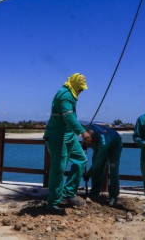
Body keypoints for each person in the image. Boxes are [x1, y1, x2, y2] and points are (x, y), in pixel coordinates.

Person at [43, 73, 92, 214]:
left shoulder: (71, 94)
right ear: (75, 85)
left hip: (69, 135)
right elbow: (68, 117)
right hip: (58, 137)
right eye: (81, 88)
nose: (82, 91)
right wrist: (83, 132)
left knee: (81, 159)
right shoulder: (65, 95)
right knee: (58, 169)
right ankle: (53, 203)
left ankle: (68, 193)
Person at [82, 123, 123, 206]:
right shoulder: (88, 128)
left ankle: (113, 196)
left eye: (90, 143)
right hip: (100, 141)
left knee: (113, 168)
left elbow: (98, 162)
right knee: (97, 168)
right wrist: (84, 143)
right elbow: (85, 136)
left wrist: (88, 174)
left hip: (115, 144)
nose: (90, 145)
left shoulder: (103, 142)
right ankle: (94, 192)